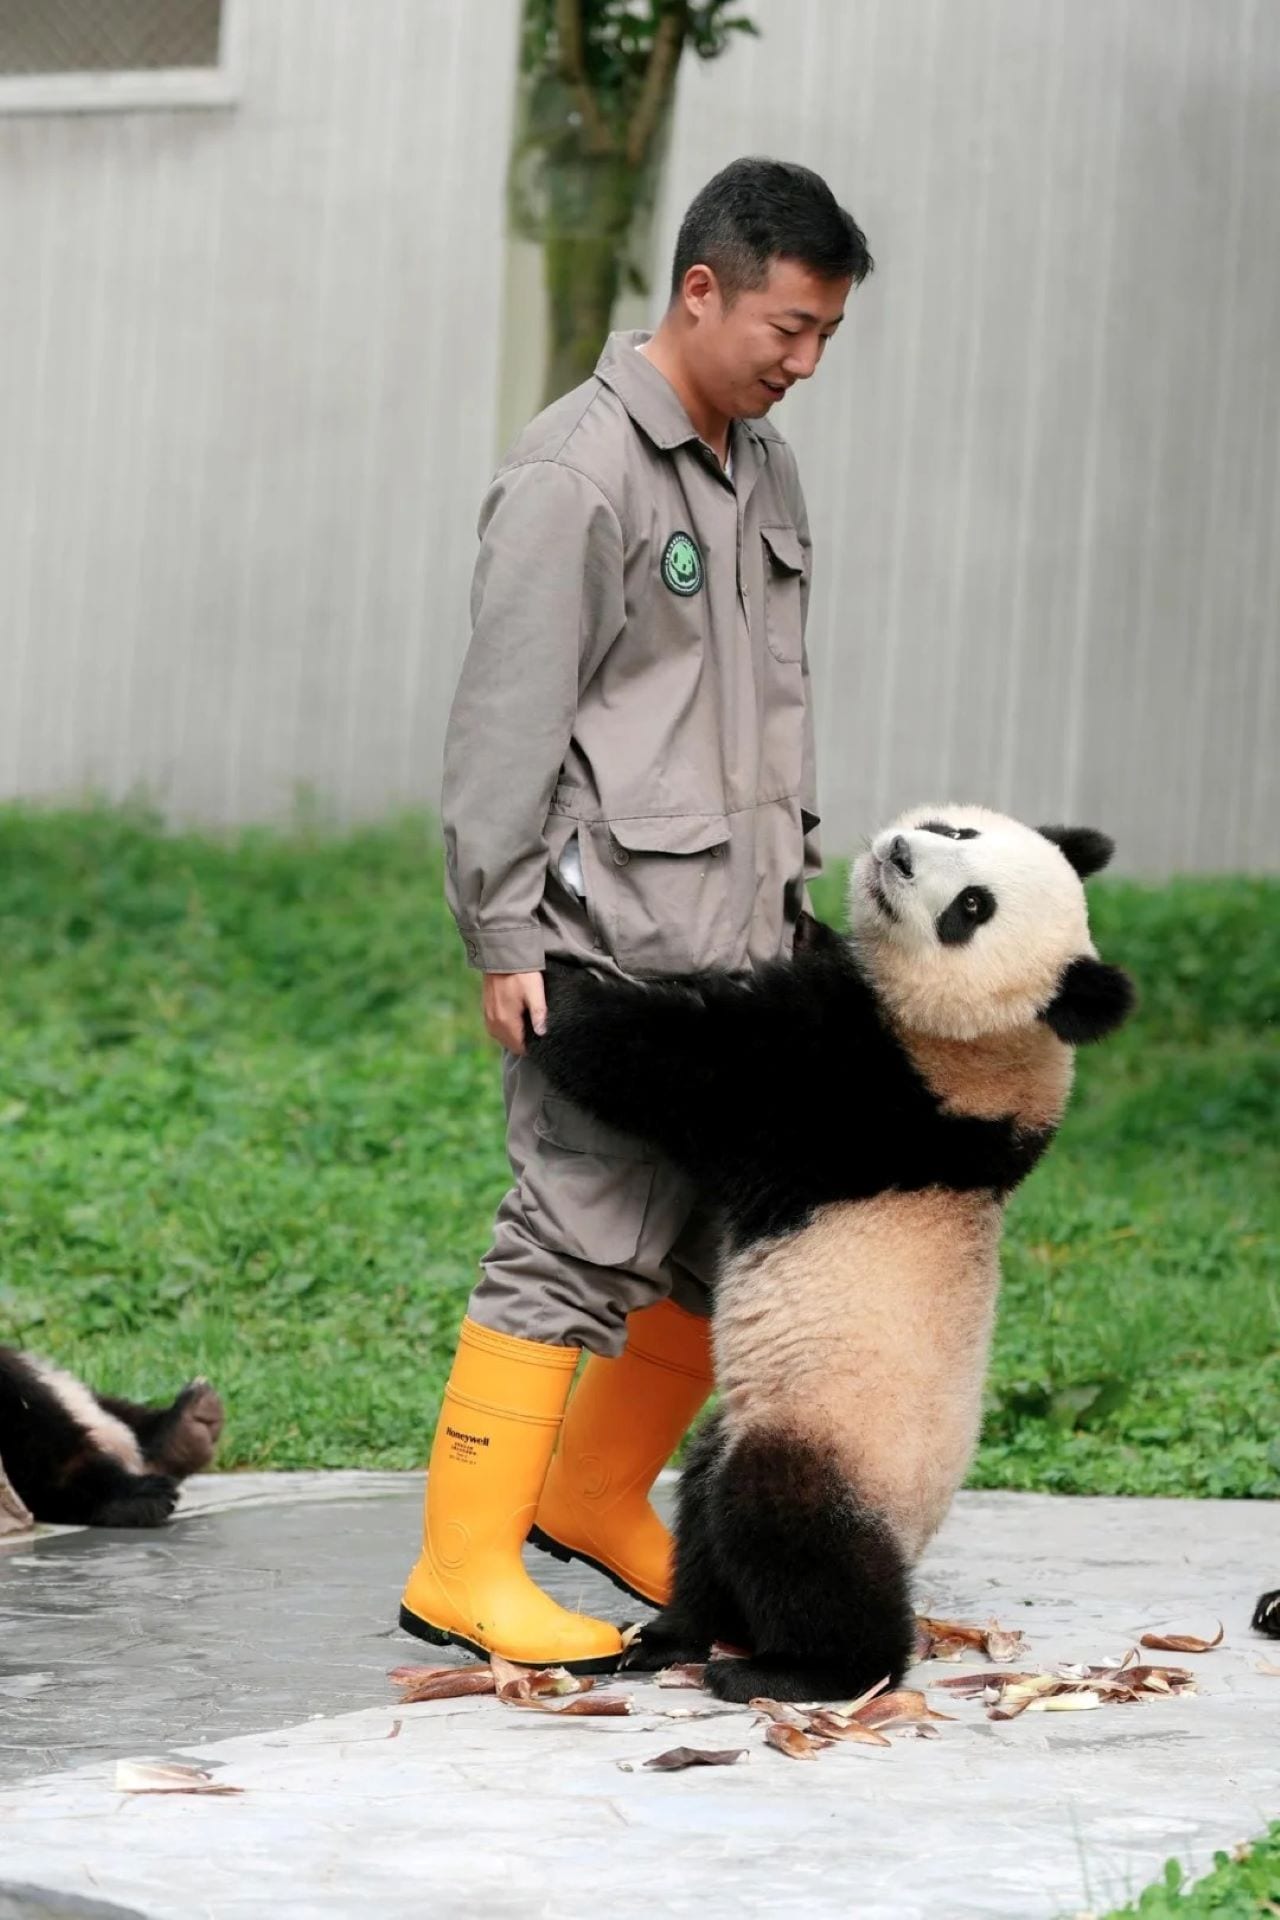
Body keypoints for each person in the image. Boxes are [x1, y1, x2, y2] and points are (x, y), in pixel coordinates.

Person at [400, 157, 873, 1670]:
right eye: (787, 329)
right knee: (574, 1228)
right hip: (604, 944)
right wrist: (501, 931)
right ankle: (461, 1565)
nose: (803, 363)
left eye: (825, 338)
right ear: (700, 289)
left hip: (737, 940)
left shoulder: (764, 469)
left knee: (705, 1239)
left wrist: (795, 895)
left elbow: (769, 710)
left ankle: (599, 1496)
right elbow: (505, 723)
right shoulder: (577, 473)